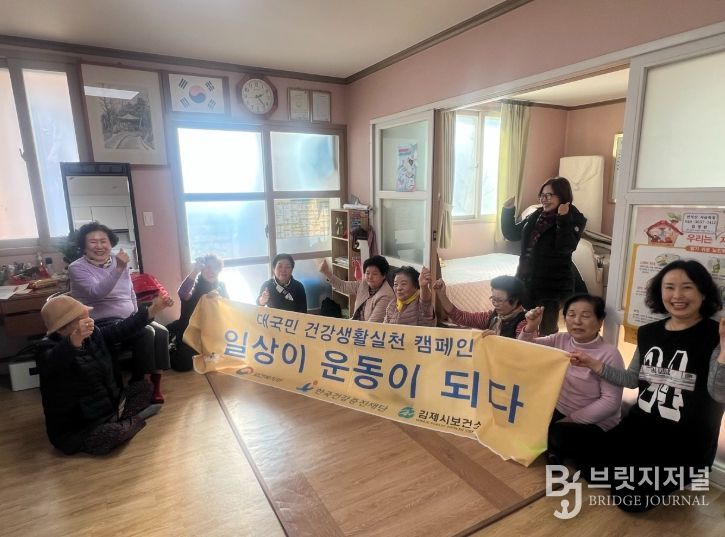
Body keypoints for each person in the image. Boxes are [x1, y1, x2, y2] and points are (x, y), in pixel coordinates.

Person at [571, 260, 725, 511]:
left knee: (629, 500)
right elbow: (632, 379)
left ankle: (634, 475)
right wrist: (593, 363)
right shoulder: (649, 332)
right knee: (566, 440)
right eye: (669, 287)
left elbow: (719, 394)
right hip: (639, 429)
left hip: (685, 443)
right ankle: (627, 473)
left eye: (687, 287)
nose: (677, 295)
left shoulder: (716, 335)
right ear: (659, 292)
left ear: (703, 293)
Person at [37, 293, 173, 455]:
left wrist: (153, 309)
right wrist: (73, 342)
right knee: (113, 434)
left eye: (88, 316)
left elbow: (120, 330)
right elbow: (56, 362)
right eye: (82, 319)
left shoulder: (93, 334)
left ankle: (119, 419)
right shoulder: (46, 350)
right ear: (62, 327)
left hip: (110, 407)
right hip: (79, 428)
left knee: (144, 387)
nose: (90, 321)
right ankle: (136, 418)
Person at [518, 293, 624, 467]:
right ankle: (555, 451)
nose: (577, 321)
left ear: (599, 322)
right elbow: (524, 349)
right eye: (571, 315)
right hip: (561, 410)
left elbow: (610, 402)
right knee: (525, 419)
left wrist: (572, 419)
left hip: (596, 421)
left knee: (558, 434)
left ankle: (557, 450)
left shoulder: (609, 354)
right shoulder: (560, 339)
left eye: (586, 316)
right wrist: (531, 326)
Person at [68, 222, 170, 403]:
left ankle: (155, 385)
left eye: (103, 241)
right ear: (83, 245)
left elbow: (130, 292)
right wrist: (118, 269)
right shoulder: (77, 267)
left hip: (127, 319)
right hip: (100, 323)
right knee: (146, 332)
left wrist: (137, 316)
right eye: (93, 242)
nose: (99, 246)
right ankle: (139, 383)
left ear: (110, 243)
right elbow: (96, 292)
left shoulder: (118, 261)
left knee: (162, 332)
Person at [501, 176, 587, 336]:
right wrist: (508, 210)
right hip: (527, 280)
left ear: (562, 195)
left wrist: (563, 218)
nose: (544, 200)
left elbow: (566, 247)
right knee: (524, 324)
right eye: (542, 195)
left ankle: (548, 351)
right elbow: (512, 233)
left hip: (552, 286)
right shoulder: (537, 215)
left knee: (547, 330)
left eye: (549, 195)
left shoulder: (574, 217)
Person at [168, 254, 228, 371]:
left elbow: (228, 310)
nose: (211, 271)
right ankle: (172, 344)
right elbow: (183, 293)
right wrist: (195, 270)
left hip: (212, 333)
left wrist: (219, 299)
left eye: (215, 268)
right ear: (202, 268)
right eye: (208, 267)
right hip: (191, 332)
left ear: (220, 270)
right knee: (183, 365)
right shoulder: (194, 285)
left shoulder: (221, 286)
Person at [433, 275, 528, 338]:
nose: (495, 303)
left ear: (515, 301)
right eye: (493, 299)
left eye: (499, 300)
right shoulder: (493, 317)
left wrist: (499, 341)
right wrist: (441, 295)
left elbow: (522, 349)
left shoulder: (524, 323)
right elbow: (461, 317)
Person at [319, 255, 395, 322]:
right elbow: (343, 286)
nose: (370, 277)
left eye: (375, 274)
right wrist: (326, 272)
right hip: (355, 323)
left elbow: (372, 324)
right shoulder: (364, 284)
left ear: (383, 275)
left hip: (367, 330)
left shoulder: (386, 295)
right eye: (367, 273)